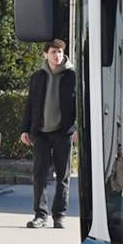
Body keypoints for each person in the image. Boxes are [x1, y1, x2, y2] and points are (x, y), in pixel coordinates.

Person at [22, 39, 77, 228]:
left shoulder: (72, 76)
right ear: (46, 54)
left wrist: (77, 127)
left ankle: (59, 216)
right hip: (41, 134)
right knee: (40, 174)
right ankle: (40, 215)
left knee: (63, 175)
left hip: (64, 133)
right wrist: (25, 130)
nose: (57, 55)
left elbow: (80, 104)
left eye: (60, 52)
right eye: (54, 52)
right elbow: (30, 104)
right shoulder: (38, 77)